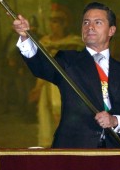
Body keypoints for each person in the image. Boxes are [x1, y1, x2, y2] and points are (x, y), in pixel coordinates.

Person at [12, 1, 120, 148]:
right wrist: (25, 36)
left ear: (111, 30)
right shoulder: (68, 61)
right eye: (86, 22)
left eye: (97, 22)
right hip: (74, 153)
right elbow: (41, 67)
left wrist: (115, 121)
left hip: (114, 156)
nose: (90, 27)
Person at [28, 8, 83, 147]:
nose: (54, 25)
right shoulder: (44, 42)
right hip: (48, 85)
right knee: (48, 118)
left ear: (64, 24)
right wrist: (37, 87)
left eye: (57, 22)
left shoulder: (74, 42)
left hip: (67, 85)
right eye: (51, 22)